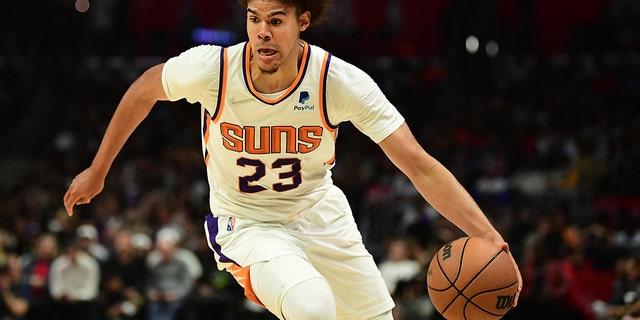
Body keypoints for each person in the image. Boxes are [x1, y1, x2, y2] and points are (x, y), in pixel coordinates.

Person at [63, 0, 523, 318]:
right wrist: (99, 169)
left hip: (321, 215)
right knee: (313, 307)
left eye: (276, 19)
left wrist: (488, 236)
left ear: (303, 21)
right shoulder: (213, 69)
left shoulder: (337, 81)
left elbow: (419, 165)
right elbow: (145, 88)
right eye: (254, 17)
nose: (262, 31)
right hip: (248, 224)